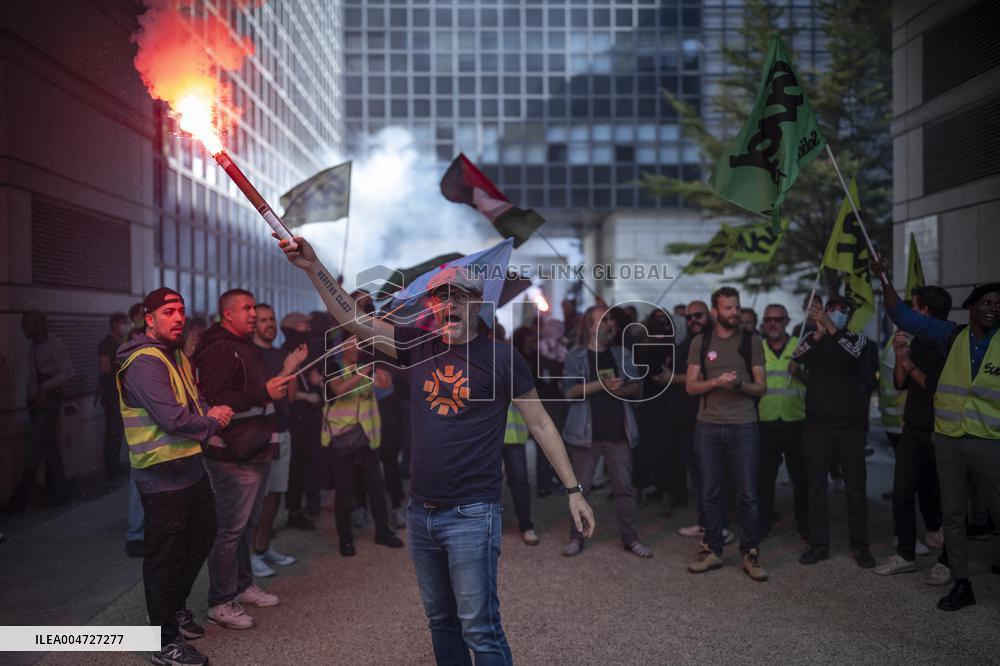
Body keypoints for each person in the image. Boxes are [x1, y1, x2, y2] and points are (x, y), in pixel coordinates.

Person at [279, 235, 595, 665]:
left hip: (472, 514)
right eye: (439, 298)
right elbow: (354, 321)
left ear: (476, 301)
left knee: (480, 627)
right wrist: (313, 268)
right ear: (430, 306)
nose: (448, 305)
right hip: (421, 512)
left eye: (458, 297)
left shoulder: (502, 358)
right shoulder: (417, 346)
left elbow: (540, 422)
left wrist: (573, 489)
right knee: (441, 621)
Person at [875, 259, 1000, 611]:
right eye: (987, 303)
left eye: (999, 305)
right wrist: (882, 276)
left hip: (990, 442)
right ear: (971, 308)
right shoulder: (951, 335)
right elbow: (900, 314)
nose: (994, 309)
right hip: (947, 437)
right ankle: (961, 582)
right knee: (953, 513)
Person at [116, 288, 232, 666]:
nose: (178, 317)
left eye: (181, 310)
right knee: (163, 556)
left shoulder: (175, 354)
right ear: (149, 319)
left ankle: (172, 609)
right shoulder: (145, 362)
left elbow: (191, 403)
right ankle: (164, 641)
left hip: (188, 468)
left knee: (201, 536)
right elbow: (173, 419)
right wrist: (212, 420)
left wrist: (207, 412)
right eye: (168, 311)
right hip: (161, 475)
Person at [193, 289, 295, 630]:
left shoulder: (240, 344)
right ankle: (220, 601)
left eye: (255, 308)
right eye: (247, 309)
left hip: (253, 449)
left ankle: (241, 586)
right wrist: (264, 393)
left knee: (245, 526)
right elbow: (217, 397)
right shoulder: (221, 348)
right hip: (233, 454)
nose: (253, 314)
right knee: (229, 530)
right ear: (227, 313)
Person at [684, 287, 768, 581]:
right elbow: (691, 387)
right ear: (715, 312)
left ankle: (750, 553)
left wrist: (738, 386)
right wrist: (716, 382)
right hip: (708, 424)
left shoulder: (751, 340)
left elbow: (761, 387)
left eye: (737, 307)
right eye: (729, 308)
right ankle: (712, 550)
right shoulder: (700, 341)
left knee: (748, 494)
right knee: (709, 491)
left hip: (744, 424)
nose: (735, 312)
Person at [560, 304, 649, 559]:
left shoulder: (622, 354)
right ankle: (576, 537)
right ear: (590, 326)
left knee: (625, 488)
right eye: (605, 320)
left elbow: (637, 389)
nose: (611, 324)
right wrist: (602, 384)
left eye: (612, 320)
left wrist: (618, 390)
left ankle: (631, 538)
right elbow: (569, 392)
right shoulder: (576, 355)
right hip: (585, 434)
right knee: (580, 489)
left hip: (619, 432)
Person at [793, 296, 875, 568]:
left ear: (849, 316)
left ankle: (860, 545)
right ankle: (819, 544)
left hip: (849, 426)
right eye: (831, 309)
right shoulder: (814, 336)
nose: (837, 313)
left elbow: (851, 357)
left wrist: (831, 327)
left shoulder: (856, 338)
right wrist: (818, 333)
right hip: (817, 425)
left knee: (855, 490)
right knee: (816, 488)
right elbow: (797, 357)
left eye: (842, 311)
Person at [874, 285, 950, 580]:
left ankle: (947, 560)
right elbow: (900, 384)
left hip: (941, 432)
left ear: (925, 313)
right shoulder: (917, 342)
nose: (907, 315)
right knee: (902, 495)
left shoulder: (948, 344)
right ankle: (905, 554)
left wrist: (908, 363)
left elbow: (934, 387)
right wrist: (901, 356)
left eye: (913, 309)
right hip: (912, 429)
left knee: (944, 499)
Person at [321, 336, 404, 556]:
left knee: (377, 488)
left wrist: (378, 361)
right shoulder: (333, 366)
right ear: (342, 346)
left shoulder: (366, 367)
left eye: (360, 344)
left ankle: (383, 532)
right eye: (352, 344)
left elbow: (386, 384)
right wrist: (363, 373)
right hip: (341, 438)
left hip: (368, 437)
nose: (356, 348)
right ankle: (346, 540)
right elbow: (338, 390)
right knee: (345, 491)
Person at [250, 303, 308, 577]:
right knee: (257, 499)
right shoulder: (251, 355)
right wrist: (288, 368)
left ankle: (263, 547)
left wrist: (292, 368)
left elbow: (290, 396)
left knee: (275, 495)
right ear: (253, 324)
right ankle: (250, 554)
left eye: (271, 319)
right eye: (262, 320)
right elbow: (265, 393)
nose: (269, 324)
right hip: (260, 433)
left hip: (283, 430)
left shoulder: (278, 353)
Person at [3, 311, 73, 511]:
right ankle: (59, 492)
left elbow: (68, 373)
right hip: (37, 404)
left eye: (27, 325)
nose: (24, 329)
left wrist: (44, 387)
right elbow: (32, 376)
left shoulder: (55, 345)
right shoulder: (32, 348)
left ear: (37, 325)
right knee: (49, 448)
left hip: (49, 401)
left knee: (34, 450)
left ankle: (21, 497)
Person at [757, 304, 808, 541]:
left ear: (787, 320)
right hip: (766, 422)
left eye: (778, 319)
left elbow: (818, 380)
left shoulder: (801, 346)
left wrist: (799, 373)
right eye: (768, 320)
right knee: (764, 478)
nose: (773, 324)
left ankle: (805, 524)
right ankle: (764, 522)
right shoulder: (756, 348)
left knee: (801, 476)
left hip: (795, 421)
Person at [281, 312, 323, 530]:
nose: (307, 327)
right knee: (296, 464)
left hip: (312, 415)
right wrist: (307, 394)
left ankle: (312, 502)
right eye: (302, 324)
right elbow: (287, 389)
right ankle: (294, 509)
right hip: (294, 417)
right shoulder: (284, 352)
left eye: (308, 323)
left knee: (312, 460)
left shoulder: (311, 349)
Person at [98, 312, 130, 482]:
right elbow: (105, 368)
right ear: (116, 324)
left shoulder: (123, 343)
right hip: (112, 394)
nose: (127, 325)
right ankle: (111, 470)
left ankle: (116, 466)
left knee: (118, 432)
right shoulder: (106, 344)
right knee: (114, 431)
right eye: (125, 323)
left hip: (122, 393)